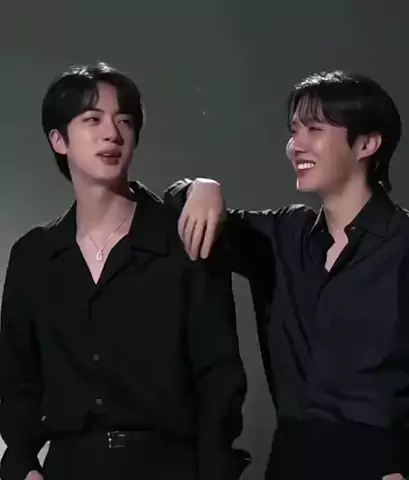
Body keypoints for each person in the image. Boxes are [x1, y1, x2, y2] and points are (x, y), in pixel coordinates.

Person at [164, 70, 409, 479]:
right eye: (293, 131)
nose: (296, 145)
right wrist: (200, 187)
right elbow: (189, 216)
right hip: (287, 464)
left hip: (374, 465)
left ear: (367, 144)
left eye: (314, 129)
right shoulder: (283, 235)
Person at [0, 62, 249, 480]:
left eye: (124, 121)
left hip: (168, 467)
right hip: (70, 465)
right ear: (59, 140)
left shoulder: (181, 239)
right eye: (93, 119)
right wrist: (22, 464)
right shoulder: (34, 255)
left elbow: (219, 376)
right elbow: (16, 378)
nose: (112, 134)